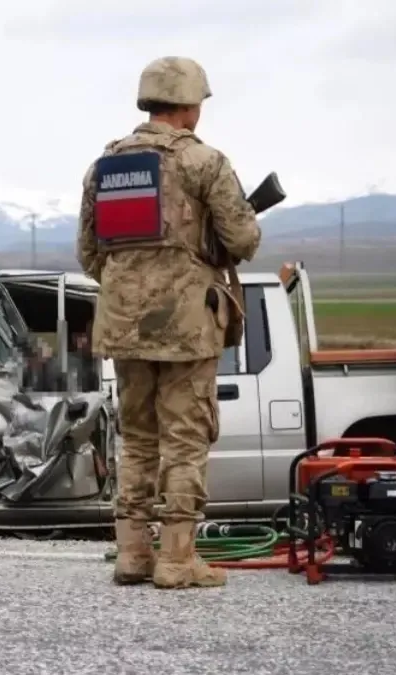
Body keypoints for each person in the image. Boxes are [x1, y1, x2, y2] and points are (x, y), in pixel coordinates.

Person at [75, 56, 262, 589]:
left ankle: (132, 555)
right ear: (189, 105)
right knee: (184, 440)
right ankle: (178, 560)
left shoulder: (104, 167)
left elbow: (90, 255)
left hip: (124, 325)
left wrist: (135, 282)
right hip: (185, 327)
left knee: (136, 440)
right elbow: (244, 241)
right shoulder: (204, 162)